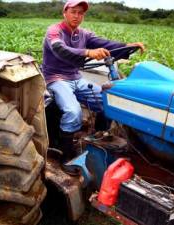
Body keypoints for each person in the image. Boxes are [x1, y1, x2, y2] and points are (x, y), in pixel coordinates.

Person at [42, 0, 145, 167]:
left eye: (80, 13)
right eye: (73, 11)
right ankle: (64, 154)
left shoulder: (84, 34)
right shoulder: (54, 32)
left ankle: (97, 139)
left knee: (108, 100)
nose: (77, 16)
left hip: (75, 77)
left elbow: (104, 44)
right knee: (73, 112)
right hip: (56, 78)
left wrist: (127, 47)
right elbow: (60, 49)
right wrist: (87, 52)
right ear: (65, 13)